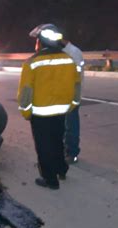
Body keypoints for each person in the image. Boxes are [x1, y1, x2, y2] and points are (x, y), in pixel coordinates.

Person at [17, 24, 81, 190]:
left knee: (43, 147)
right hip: (61, 112)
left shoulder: (32, 63)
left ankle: (50, 179)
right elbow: (76, 87)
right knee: (58, 141)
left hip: (40, 114)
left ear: (40, 42)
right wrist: (71, 106)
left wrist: (26, 112)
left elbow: (25, 93)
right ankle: (61, 169)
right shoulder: (68, 60)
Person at [61, 37, 84, 164]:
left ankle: (72, 153)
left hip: (72, 97)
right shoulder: (63, 52)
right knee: (64, 126)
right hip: (62, 96)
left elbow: (76, 77)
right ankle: (66, 150)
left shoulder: (74, 52)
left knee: (71, 126)